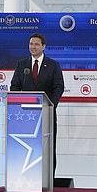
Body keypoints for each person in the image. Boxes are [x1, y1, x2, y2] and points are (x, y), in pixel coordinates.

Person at [10, 33, 65, 175]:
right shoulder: (21, 64)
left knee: (48, 148)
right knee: (27, 147)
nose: (33, 47)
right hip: (26, 114)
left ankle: (48, 179)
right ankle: (26, 176)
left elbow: (58, 87)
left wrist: (50, 106)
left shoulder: (53, 65)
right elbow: (15, 87)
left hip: (46, 114)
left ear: (43, 46)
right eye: (31, 44)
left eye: (36, 44)